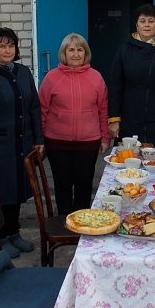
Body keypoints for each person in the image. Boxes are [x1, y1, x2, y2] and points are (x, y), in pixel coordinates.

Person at [0, 27, 43, 258]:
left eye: (11, 45)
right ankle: (0, 237)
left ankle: (14, 233)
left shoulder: (24, 72)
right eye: (2, 46)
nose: (7, 50)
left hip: (22, 144)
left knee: (18, 190)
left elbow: (34, 107)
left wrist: (39, 139)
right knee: (1, 193)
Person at [39, 33, 110, 215]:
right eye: (71, 50)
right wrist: (39, 140)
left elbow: (103, 109)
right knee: (62, 185)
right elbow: (42, 110)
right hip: (57, 142)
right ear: (64, 53)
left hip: (88, 142)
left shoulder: (96, 77)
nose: (76, 54)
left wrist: (105, 137)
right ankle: (64, 223)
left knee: (84, 185)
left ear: (86, 53)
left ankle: (81, 224)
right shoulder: (51, 78)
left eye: (80, 50)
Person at [108, 3, 155, 147]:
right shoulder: (124, 49)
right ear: (136, 25)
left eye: (151, 21)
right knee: (128, 164)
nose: (147, 25)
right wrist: (114, 119)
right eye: (142, 21)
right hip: (129, 119)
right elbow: (115, 86)